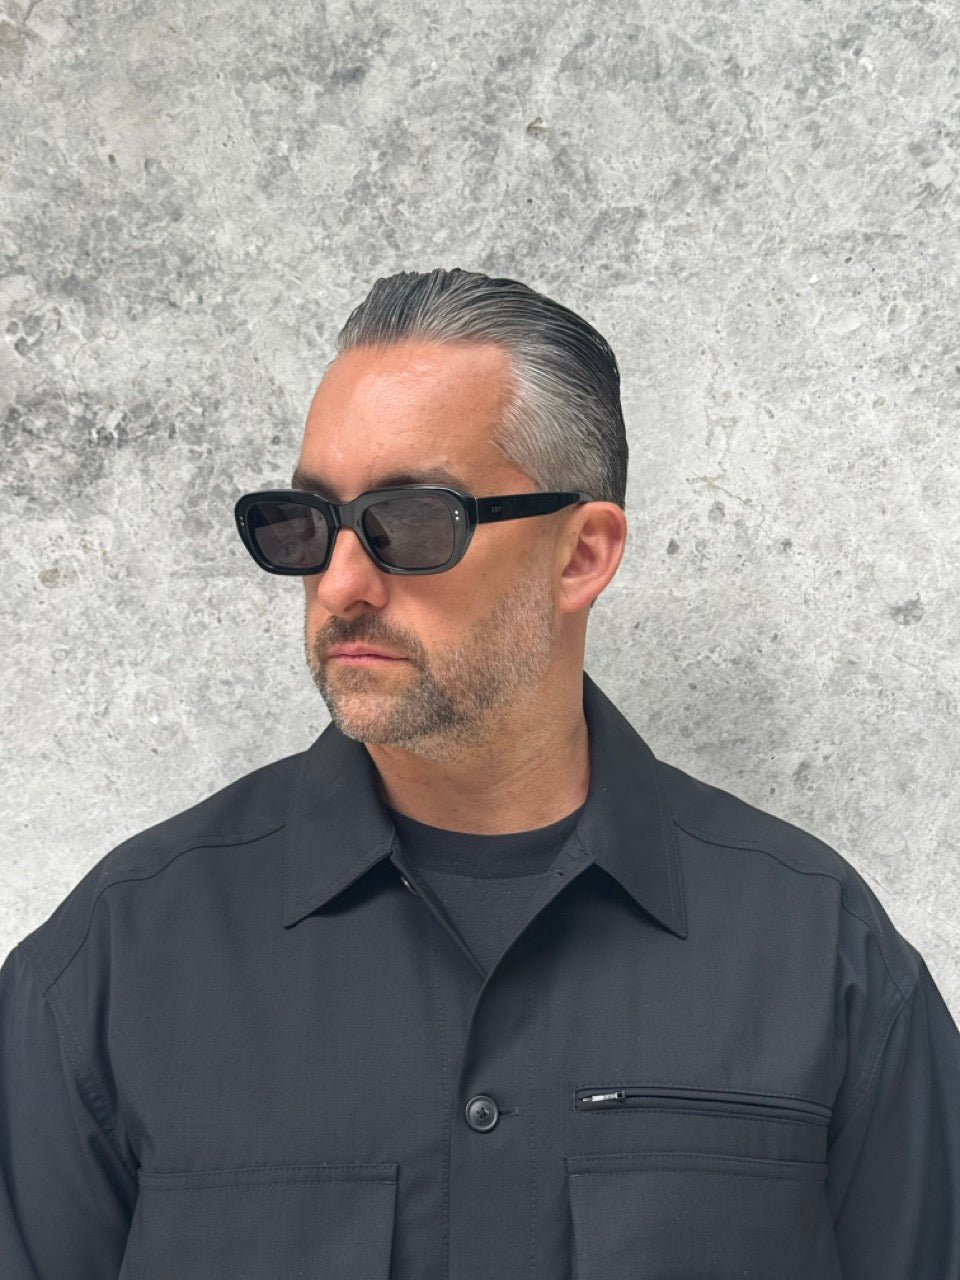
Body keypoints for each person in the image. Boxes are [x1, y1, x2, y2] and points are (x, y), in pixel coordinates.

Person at [1, 267, 958, 1280]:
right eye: (307, 521)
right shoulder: (112, 966)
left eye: (413, 521)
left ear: (582, 553)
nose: (342, 583)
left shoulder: (821, 956)